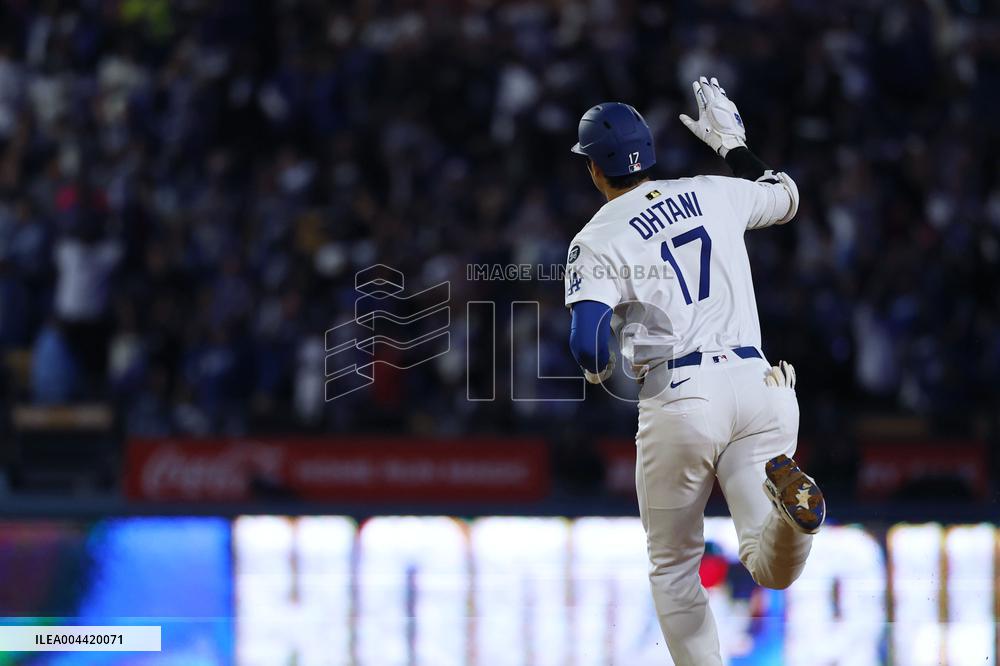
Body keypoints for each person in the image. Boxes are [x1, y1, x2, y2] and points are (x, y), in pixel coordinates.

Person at [564, 77, 826, 665]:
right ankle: (793, 521)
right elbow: (785, 195)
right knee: (770, 565)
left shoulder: (597, 237)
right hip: (760, 386)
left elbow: (587, 346)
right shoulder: (712, 190)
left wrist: (600, 371)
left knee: (674, 566)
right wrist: (733, 147)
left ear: (594, 169)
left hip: (680, 394)